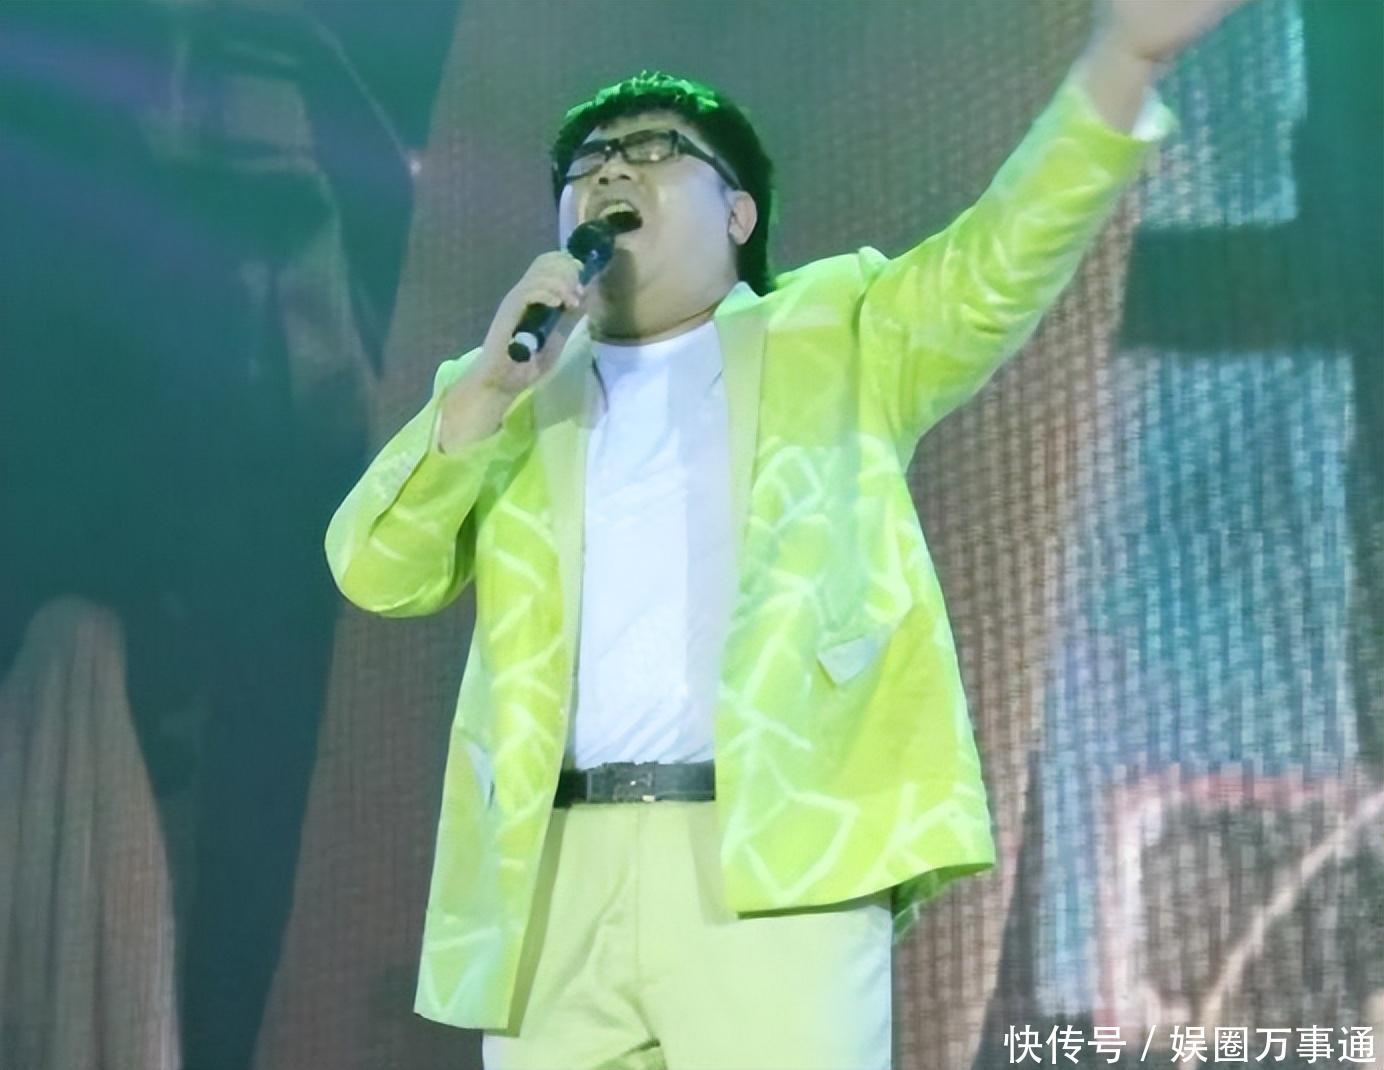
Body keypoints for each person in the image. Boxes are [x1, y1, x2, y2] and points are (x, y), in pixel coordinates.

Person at [324, 2, 1248, 1066]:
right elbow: (375, 570)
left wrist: (1120, 62)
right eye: (586, 163)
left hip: (770, 857)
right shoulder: (506, 394)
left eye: (655, 149)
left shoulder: (839, 330)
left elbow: (1002, 258)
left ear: (737, 213)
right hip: (550, 874)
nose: (611, 168)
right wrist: (486, 391)